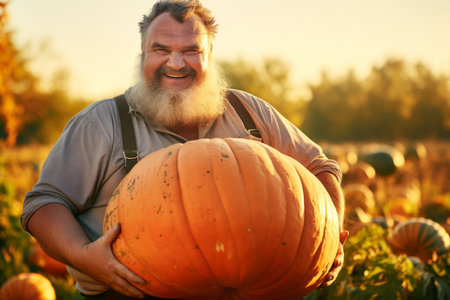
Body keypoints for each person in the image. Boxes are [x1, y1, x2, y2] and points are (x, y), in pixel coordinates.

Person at [21, 0, 348, 299]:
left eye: (191, 50)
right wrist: (84, 256)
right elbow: (44, 204)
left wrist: (328, 240)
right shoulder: (101, 123)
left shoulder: (249, 112)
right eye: (160, 49)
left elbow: (321, 168)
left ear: (209, 57)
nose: (175, 63)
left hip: (255, 288)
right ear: (143, 55)